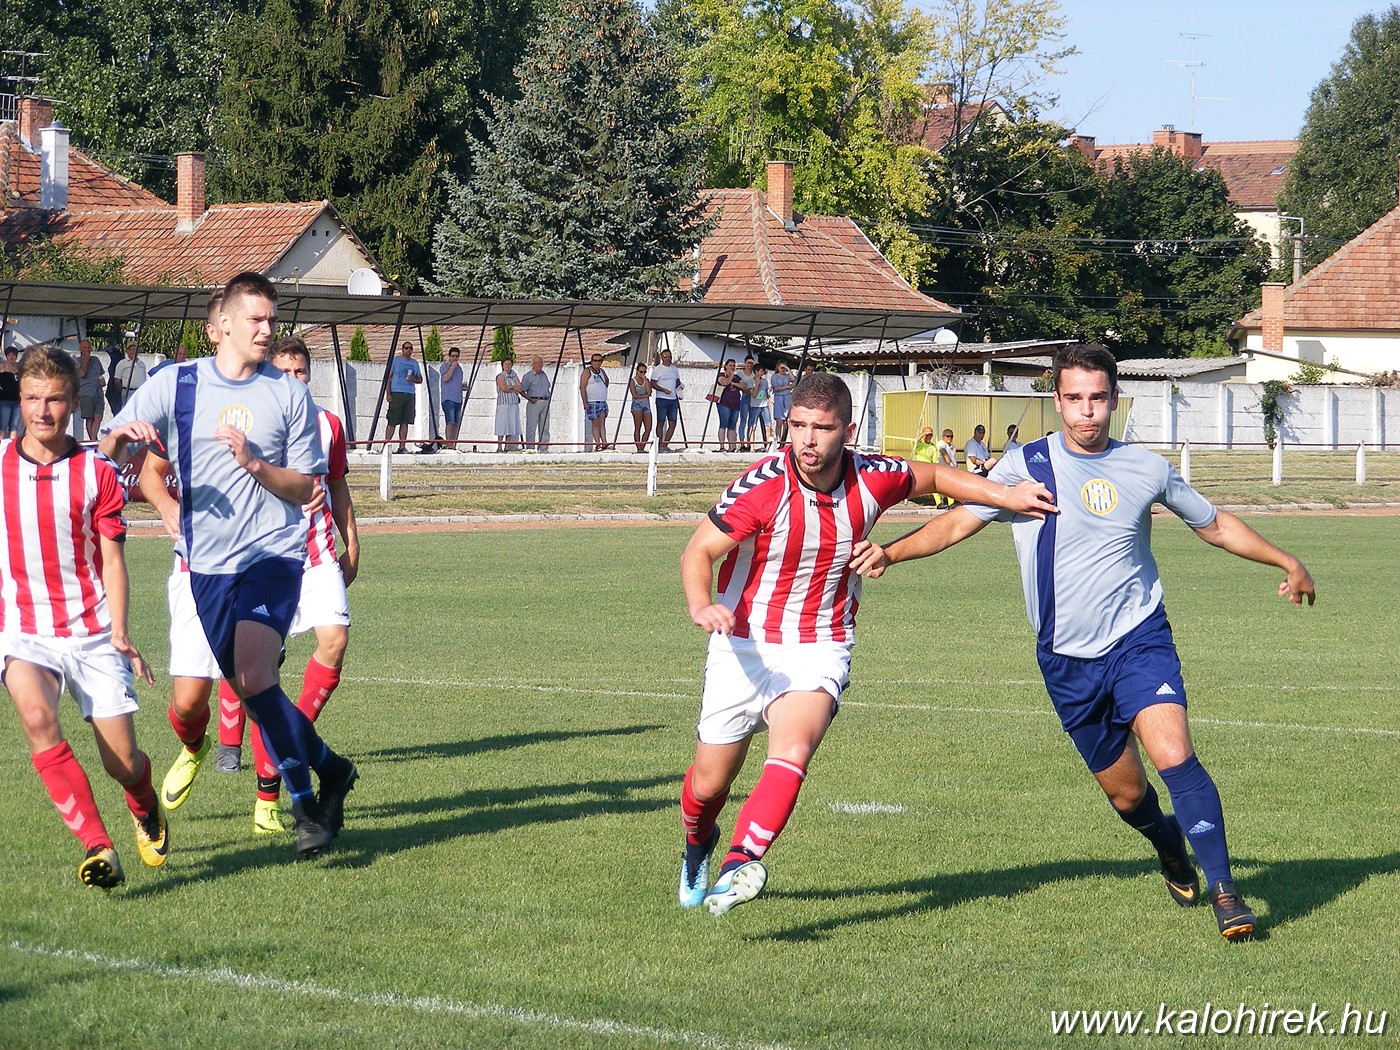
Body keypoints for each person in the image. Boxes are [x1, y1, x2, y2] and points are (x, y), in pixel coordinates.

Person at [850, 345, 1317, 941]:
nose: (1086, 411)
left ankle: (1227, 893)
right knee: (1128, 798)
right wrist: (891, 552)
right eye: (1074, 398)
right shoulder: (1025, 466)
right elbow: (959, 520)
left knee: (1176, 757)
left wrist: (1286, 560)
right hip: (1066, 660)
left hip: (1138, 639)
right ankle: (1168, 843)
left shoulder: (1146, 467)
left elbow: (1216, 524)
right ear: (1057, 401)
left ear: (1115, 400)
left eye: (1097, 398)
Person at [677, 373, 1057, 916]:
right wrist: (701, 604)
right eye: (798, 426)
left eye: (822, 428)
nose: (807, 440)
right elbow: (698, 552)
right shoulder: (763, 485)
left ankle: (740, 864)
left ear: (848, 431)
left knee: (793, 748)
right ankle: (698, 845)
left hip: (821, 641)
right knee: (709, 786)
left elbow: (935, 476)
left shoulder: (873, 477)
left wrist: (1006, 494)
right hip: (744, 645)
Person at [100, 271, 359, 860]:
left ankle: (304, 808)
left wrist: (256, 465)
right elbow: (109, 450)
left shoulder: (289, 395)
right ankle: (332, 769)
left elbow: (307, 487)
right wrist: (119, 440)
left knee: (256, 676)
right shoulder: (178, 384)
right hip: (205, 565)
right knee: (249, 688)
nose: (266, 330)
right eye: (256, 319)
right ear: (223, 324)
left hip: (273, 556)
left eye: (272, 320)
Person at [162, 336, 361, 833]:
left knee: (332, 642)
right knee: (238, 682)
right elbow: (154, 469)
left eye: (301, 371)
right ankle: (225, 752)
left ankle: (277, 767)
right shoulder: (234, 422)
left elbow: (335, 483)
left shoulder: (328, 425)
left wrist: (352, 540)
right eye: (284, 372)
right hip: (251, 560)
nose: (294, 380)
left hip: (313, 555)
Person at [1, 345, 166, 889]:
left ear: (75, 403)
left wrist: (120, 631)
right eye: (32, 399)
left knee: (123, 764)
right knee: (36, 718)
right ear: (20, 397)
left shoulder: (97, 474)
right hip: (24, 630)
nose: (41, 411)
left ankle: (144, 804)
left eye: (53, 400)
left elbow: (113, 561)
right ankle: (99, 847)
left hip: (93, 633)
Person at [385, 340, 422, 454]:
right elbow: (388, 377)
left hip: (409, 393)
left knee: (405, 421)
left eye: (410, 348)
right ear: (402, 349)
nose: (408, 350)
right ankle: (386, 445)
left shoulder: (414, 363)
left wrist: (413, 379)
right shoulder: (395, 360)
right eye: (406, 348)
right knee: (392, 420)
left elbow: (420, 379)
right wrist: (388, 393)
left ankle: (402, 446)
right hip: (397, 392)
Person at [651, 347, 682, 452]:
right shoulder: (658, 369)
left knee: (673, 423)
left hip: (673, 399)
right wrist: (663, 389)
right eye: (665, 357)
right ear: (662, 358)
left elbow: (677, 380)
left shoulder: (674, 369)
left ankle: (665, 444)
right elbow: (652, 383)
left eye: (669, 357)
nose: (668, 359)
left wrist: (679, 387)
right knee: (661, 422)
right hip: (662, 399)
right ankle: (659, 444)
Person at [580, 353, 610, 452]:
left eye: (599, 360)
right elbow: (582, 387)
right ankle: (597, 443)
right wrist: (585, 402)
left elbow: (607, 381)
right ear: (592, 361)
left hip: (602, 401)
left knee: (602, 423)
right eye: (595, 360)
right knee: (595, 423)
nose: (597, 362)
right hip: (592, 401)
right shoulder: (587, 371)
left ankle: (604, 442)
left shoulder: (602, 371)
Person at [76, 339, 106, 441]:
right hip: (86, 392)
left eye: (89, 347)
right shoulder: (76, 361)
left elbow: (100, 374)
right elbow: (82, 374)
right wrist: (86, 361)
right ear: (80, 349)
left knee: (98, 417)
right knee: (89, 418)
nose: (87, 350)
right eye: (85, 348)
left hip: (98, 391)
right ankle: (93, 440)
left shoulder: (96, 360)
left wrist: (103, 382)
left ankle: (93, 439)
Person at [521, 355, 552, 451]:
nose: (539, 365)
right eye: (536, 363)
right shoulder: (528, 376)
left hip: (545, 402)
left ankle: (544, 448)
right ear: (533, 364)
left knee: (545, 427)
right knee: (531, 426)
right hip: (534, 402)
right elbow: (521, 390)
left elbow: (547, 387)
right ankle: (530, 448)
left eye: (540, 363)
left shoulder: (544, 375)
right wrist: (530, 399)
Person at [494, 353, 523, 452]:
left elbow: (520, 387)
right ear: (502, 365)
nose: (508, 366)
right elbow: (504, 388)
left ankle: (507, 446)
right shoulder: (500, 376)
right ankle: (499, 446)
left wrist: (512, 387)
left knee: (510, 424)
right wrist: (514, 388)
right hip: (504, 403)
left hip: (513, 403)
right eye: (506, 364)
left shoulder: (514, 375)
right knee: (502, 424)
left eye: (509, 364)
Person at [714, 360, 741, 452]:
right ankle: (722, 446)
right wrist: (731, 376)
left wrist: (734, 383)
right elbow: (725, 382)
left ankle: (731, 446)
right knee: (723, 424)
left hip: (735, 404)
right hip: (724, 403)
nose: (732, 367)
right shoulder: (721, 375)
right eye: (730, 365)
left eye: (733, 365)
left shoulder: (737, 377)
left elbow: (743, 385)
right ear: (726, 366)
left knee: (732, 426)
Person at [440, 347, 465, 447]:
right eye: (453, 356)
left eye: (457, 356)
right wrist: (452, 367)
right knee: (450, 422)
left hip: (458, 398)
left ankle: (453, 444)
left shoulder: (460, 369)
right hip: (448, 398)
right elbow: (445, 378)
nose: (455, 358)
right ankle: (449, 443)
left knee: (456, 423)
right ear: (449, 356)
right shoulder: (445, 366)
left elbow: (457, 383)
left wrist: (463, 387)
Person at [111, 342, 147, 410]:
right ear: (127, 351)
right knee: (128, 411)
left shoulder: (142, 364)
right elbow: (117, 379)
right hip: (128, 392)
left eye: (134, 349)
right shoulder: (122, 363)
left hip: (140, 392)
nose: (132, 351)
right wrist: (123, 390)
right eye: (130, 350)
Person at [628, 362, 653, 452]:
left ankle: (642, 447)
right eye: (641, 372)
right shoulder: (633, 381)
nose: (643, 374)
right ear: (637, 371)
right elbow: (635, 395)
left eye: (644, 372)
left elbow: (649, 392)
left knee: (648, 428)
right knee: (638, 427)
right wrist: (645, 396)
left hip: (646, 405)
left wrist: (645, 380)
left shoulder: (646, 380)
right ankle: (638, 448)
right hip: (637, 405)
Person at [735, 356, 758, 451]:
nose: (750, 365)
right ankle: (742, 443)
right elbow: (740, 387)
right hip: (744, 397)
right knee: (743, 421)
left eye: (751, 363)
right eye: (748, 363)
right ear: (745, 363)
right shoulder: (740, 374)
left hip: (754, 399)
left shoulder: (755, 373)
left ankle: (750, 443)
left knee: (752, 422)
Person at [748, 367, 772, 449]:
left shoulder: (765, 381)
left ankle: (768, 445)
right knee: (753, 426)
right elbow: (753, 394)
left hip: (764, 405)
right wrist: (757, 384)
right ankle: (752, 446)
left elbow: (766, 392)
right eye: (761, 371)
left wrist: (770, 399)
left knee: (768, 425)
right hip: (755, 406)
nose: (762, 372)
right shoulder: (751, 381)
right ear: (756, 371)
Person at [770, 362, 792, 445]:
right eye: (781, 367)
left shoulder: (787, 376)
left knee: (787, 421)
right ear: (778, 368)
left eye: (784, 368)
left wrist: (788, 369)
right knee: (779, 421)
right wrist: (787, 387)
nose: (782, 369)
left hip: (787, 398)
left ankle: (785, 440)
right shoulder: (774, 376)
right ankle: (778, 440)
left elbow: (793, 379)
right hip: (778, 398)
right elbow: (776, 388)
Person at [935, 428, 958, 508]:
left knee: (950, 486)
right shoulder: (941, 443)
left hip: (950, 469)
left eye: (951, 436)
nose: (949, 438)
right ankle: (939, 503)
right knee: (943, 486)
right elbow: (943, 452)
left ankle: (951, 502)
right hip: (943, 469)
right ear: (943, 436)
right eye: (947, 436)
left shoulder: (952, 447)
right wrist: (950, 463)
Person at [0, 345, 19, 438]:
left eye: (13, 355)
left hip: (17, 400)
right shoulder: (2, 366)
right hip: (5, 400)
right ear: (6, 356)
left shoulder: (19, 367)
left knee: (14, 427)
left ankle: (12, 444)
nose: (11, 357)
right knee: (3, 425)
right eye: (9, 355)